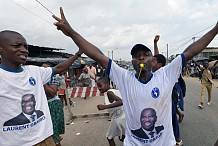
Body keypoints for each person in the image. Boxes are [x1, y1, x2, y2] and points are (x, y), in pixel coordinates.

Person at [52, 7, 218, 145]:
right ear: (132, 61)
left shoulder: (165, 75)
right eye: (136, 55)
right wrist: (71, 32)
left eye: (145, 54)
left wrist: (216, 29)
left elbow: (190, 51)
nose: (140, 57)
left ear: (153, 59)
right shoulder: (125, 78)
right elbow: (97, 55)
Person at [0, 30, 83, 145]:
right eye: (16, 46)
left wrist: (77, 55)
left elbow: (58, 68)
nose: (24, 50)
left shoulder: (35, 71)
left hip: (45, 139)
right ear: (1, 49)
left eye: (25, 47)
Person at [152, 35, 184, 145]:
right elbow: (157, 57)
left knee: (171, 116)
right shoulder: (156, 72)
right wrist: (155, 43)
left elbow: (158, 58)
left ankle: (177, 139)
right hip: (163, 95)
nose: (151, 61)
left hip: (171, 94)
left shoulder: (167, 72)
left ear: (160, 65)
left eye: (153, 61)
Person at [96, 76, 125, 146]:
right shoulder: (112, 91)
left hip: (118, 118)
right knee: (124, 137)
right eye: (98, 87)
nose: (99, 88)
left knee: (109, 137)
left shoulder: (109, 93)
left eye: (100, 86)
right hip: (122, 116)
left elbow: (121, 102)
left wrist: (105, 106)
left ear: (107, 84)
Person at [43, 62, 65, 146]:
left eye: (46, 69)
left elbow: (52, 93)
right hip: (43, 105)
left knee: (53, 127)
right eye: (42, 69)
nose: (43, 71)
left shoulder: (52, 78)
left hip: (52, 104)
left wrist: (43, 82)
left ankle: (57, 141)